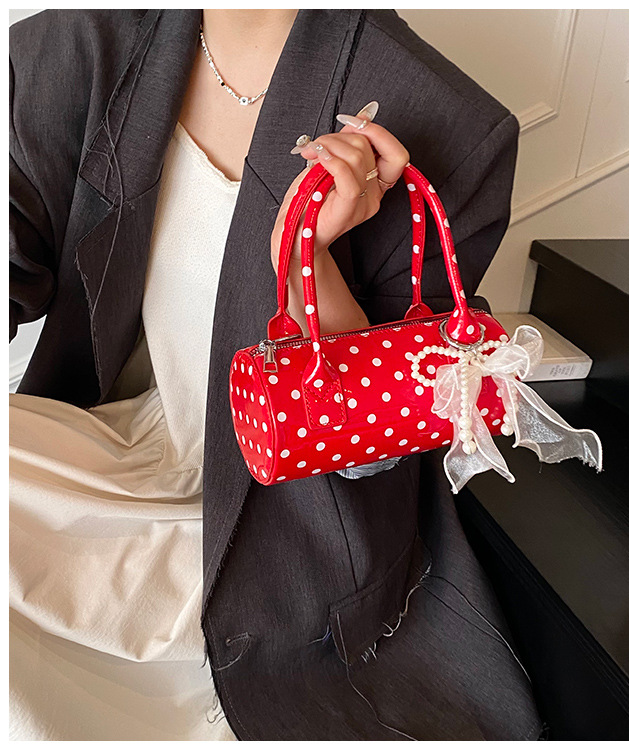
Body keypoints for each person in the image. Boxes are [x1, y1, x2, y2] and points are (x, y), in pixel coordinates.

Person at [10, 9, 543, 741]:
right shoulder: (79, 45)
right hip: (121, 445)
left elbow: (378, 440)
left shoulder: (447, 119)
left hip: (280, 522)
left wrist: (307, 262)